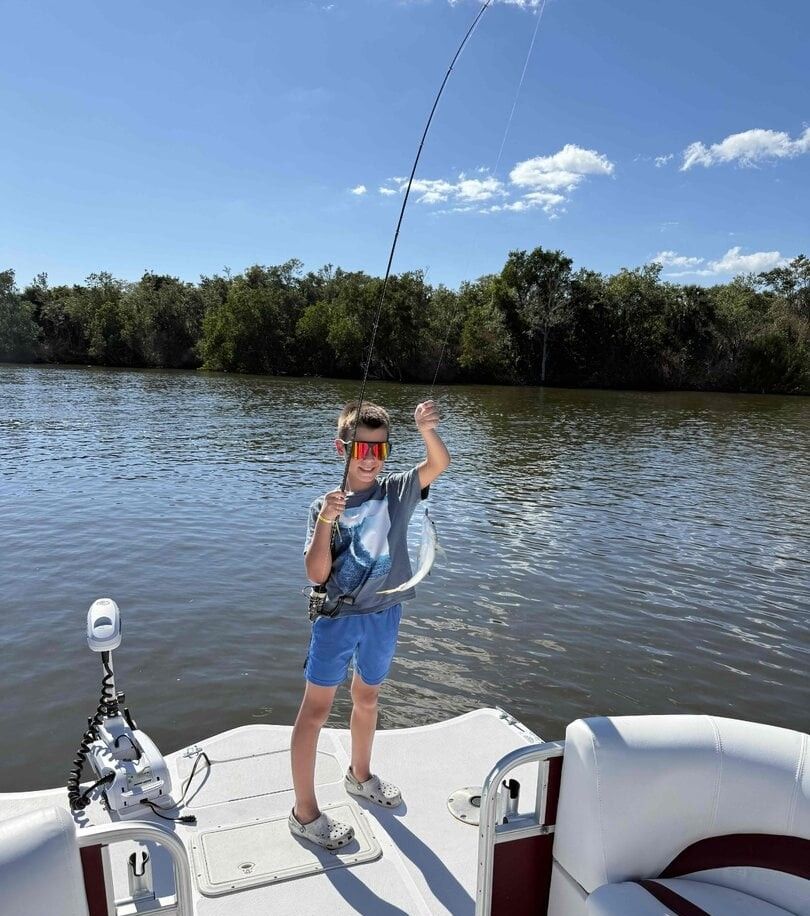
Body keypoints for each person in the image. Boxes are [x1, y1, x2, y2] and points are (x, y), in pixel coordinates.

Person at [288, 398, 450, 849]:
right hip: (338, 620)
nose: (369, 459)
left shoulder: (397, 491)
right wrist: (326, 520)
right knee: (315, 711)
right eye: (361, 448)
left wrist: (426, 429)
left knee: (368, 696)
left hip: (384, 615)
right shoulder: (325, 505)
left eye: (379, 450)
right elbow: (316, 574)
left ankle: (360, 776)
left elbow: (439, 463)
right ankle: (304, 813)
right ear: (342, 449)